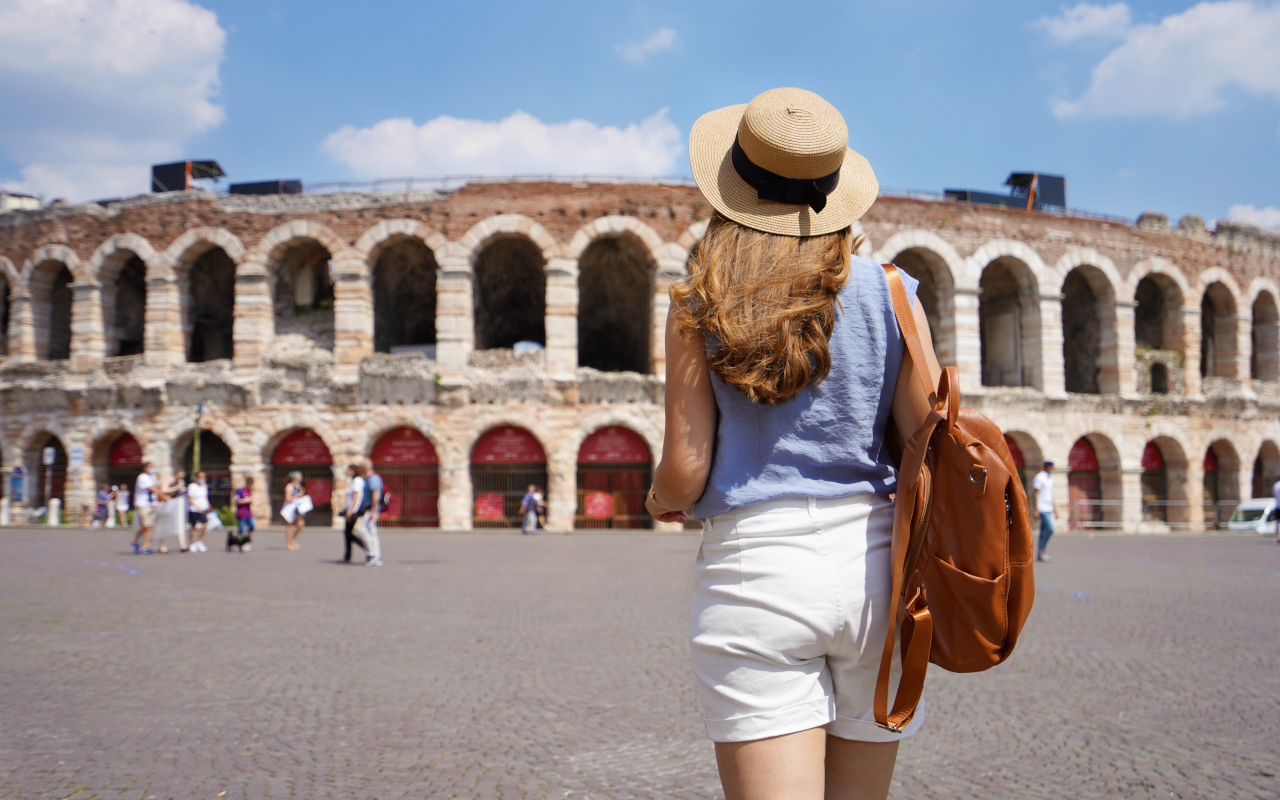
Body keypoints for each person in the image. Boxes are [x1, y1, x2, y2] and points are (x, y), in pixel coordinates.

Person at [644, 88, 944, 800]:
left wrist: (658, 495)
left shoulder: (698, 304)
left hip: (758, 570)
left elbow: (685, 472)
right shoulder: (894, 290)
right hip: (880, 574)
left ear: (733, 188)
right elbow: (925, 442)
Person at [355, 459, 383, 567]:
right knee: (372, 532)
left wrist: (372, 511)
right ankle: (377, 556)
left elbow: (375, 495)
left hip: (371, 509)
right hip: (371, 509)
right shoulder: (370, 478)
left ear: (364, 467)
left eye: (360, 467)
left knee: (362, 530)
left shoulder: (372, 478)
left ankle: (372, 554)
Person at [341, 463, 367, 563]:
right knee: (347, 533)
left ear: (353, 470)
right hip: (351, 510)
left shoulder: (357, 481)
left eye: (349, 470)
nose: (347, 472)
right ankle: (347, 556)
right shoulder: (353, 481)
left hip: (354, 511)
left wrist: (350, 511)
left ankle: (367, 547)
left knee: (348, 533)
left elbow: (356, 497)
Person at [131, 462, 158, 555]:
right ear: (145, 468)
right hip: (142, 504)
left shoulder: (152, 477)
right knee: (146, 525)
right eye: (151, 467)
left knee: (148, 526)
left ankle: (145, 546)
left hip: (151, 504)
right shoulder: (142, 477)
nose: (153, 469)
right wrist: (165, 496)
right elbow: (153, 489)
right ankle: (136, 541)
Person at [1032, 461, 1056, 562]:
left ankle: (1040, 553)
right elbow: (1035, 493)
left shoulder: (1049, 478)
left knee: (1043, 532)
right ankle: (1041, 551)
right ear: (1048, 467)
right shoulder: (1039, 477)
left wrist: (1055, 508)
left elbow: (1050, 494)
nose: (1054, 470)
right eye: (1052, 468)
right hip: (1042, 508)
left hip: (1048, 507)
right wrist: (1036, 509)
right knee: (1050, 529)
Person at [282, 471, 308, 551]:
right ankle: (289, 543)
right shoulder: (289, 486)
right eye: (298, 478)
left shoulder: (298, 486)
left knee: (301, 524)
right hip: (290, 508)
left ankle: (292, 540)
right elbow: (288, 498)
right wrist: (297, 496)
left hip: (297, 507)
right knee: (289, 526)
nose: (300, 480)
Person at [187, 471, 211, 552]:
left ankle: (199, 541)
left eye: (203, 477)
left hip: (203, 508)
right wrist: (197, 508)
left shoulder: (204, 486)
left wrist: (208, 505)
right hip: (194, 509)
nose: (202, 479)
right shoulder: (192, 486)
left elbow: (205, 497)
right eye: (200, 477)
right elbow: (190, 499)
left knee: (205, 524)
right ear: (196, 477)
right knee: (193, 527)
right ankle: (192, 543)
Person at [231, 477, 255, 552]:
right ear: (247, 483)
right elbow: (237, 501)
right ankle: (238, 543)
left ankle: (247, 541)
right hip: (241, 512)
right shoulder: (240, 490)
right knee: (241, 528)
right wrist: (246, 500)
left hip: (248, 512)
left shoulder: (250, 491)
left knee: (252, 525)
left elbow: (251, 501)